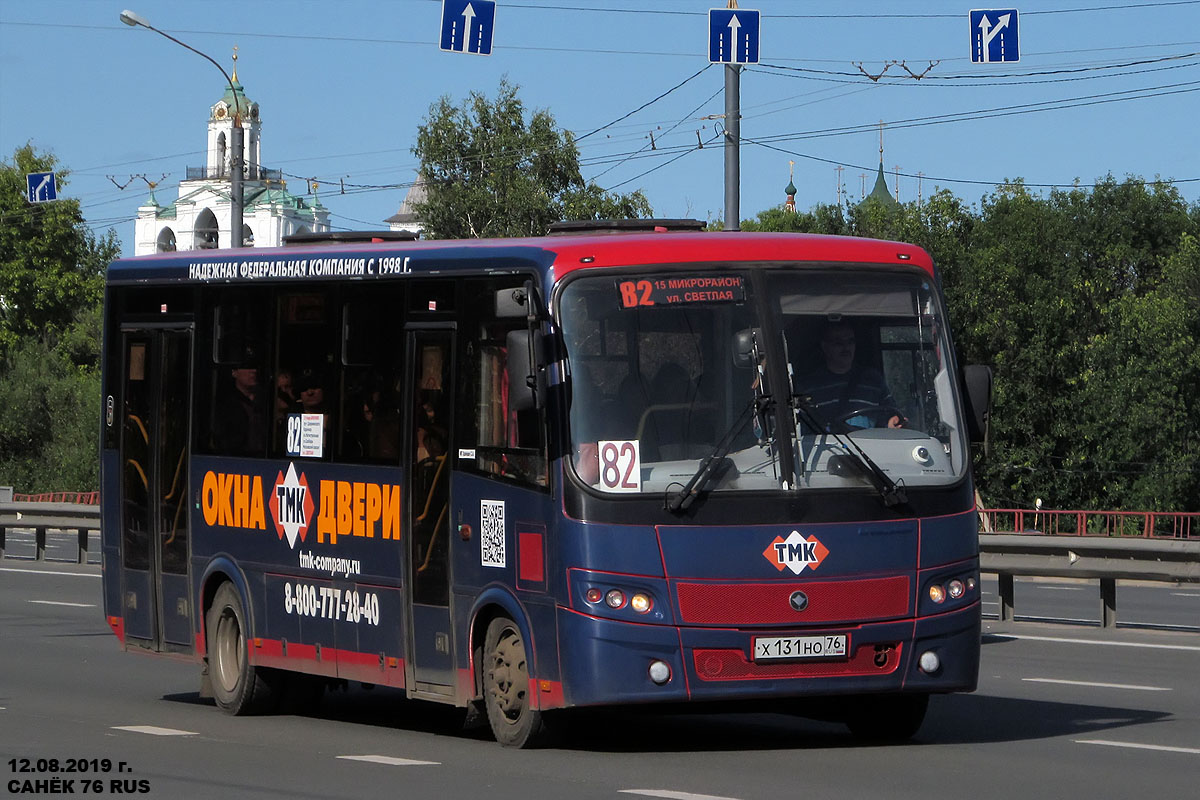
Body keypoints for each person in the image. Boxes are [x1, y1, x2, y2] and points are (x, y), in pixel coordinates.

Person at [797, 320, 904, 431]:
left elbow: (891, 414)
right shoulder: (808, 387)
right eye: (838, 343)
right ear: (825, 347)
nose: (846, 348)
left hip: (870, 446)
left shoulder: (873, 381)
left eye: (850, 342)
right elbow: (803, 431)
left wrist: (893, 422)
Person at [213, 351, 266, 454]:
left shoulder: (265, 401)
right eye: (247, 367)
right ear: (234, 372)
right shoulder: (226, 405)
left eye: (255, 367)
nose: (253, 371)